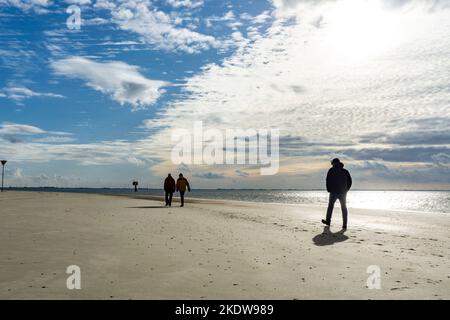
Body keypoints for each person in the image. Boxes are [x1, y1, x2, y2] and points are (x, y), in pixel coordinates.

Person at [322, 158, 352, 230]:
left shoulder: (331, 170)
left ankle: (328, 221)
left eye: (332, 163)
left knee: (330, 206)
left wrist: (329, 189)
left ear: (334, 163)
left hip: (334, 192)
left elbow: (328, 180)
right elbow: (350, 182)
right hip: (342, 192)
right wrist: (346, 189)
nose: (332, 164)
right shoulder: (345, 171)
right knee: (343, 208)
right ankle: (344, 225)